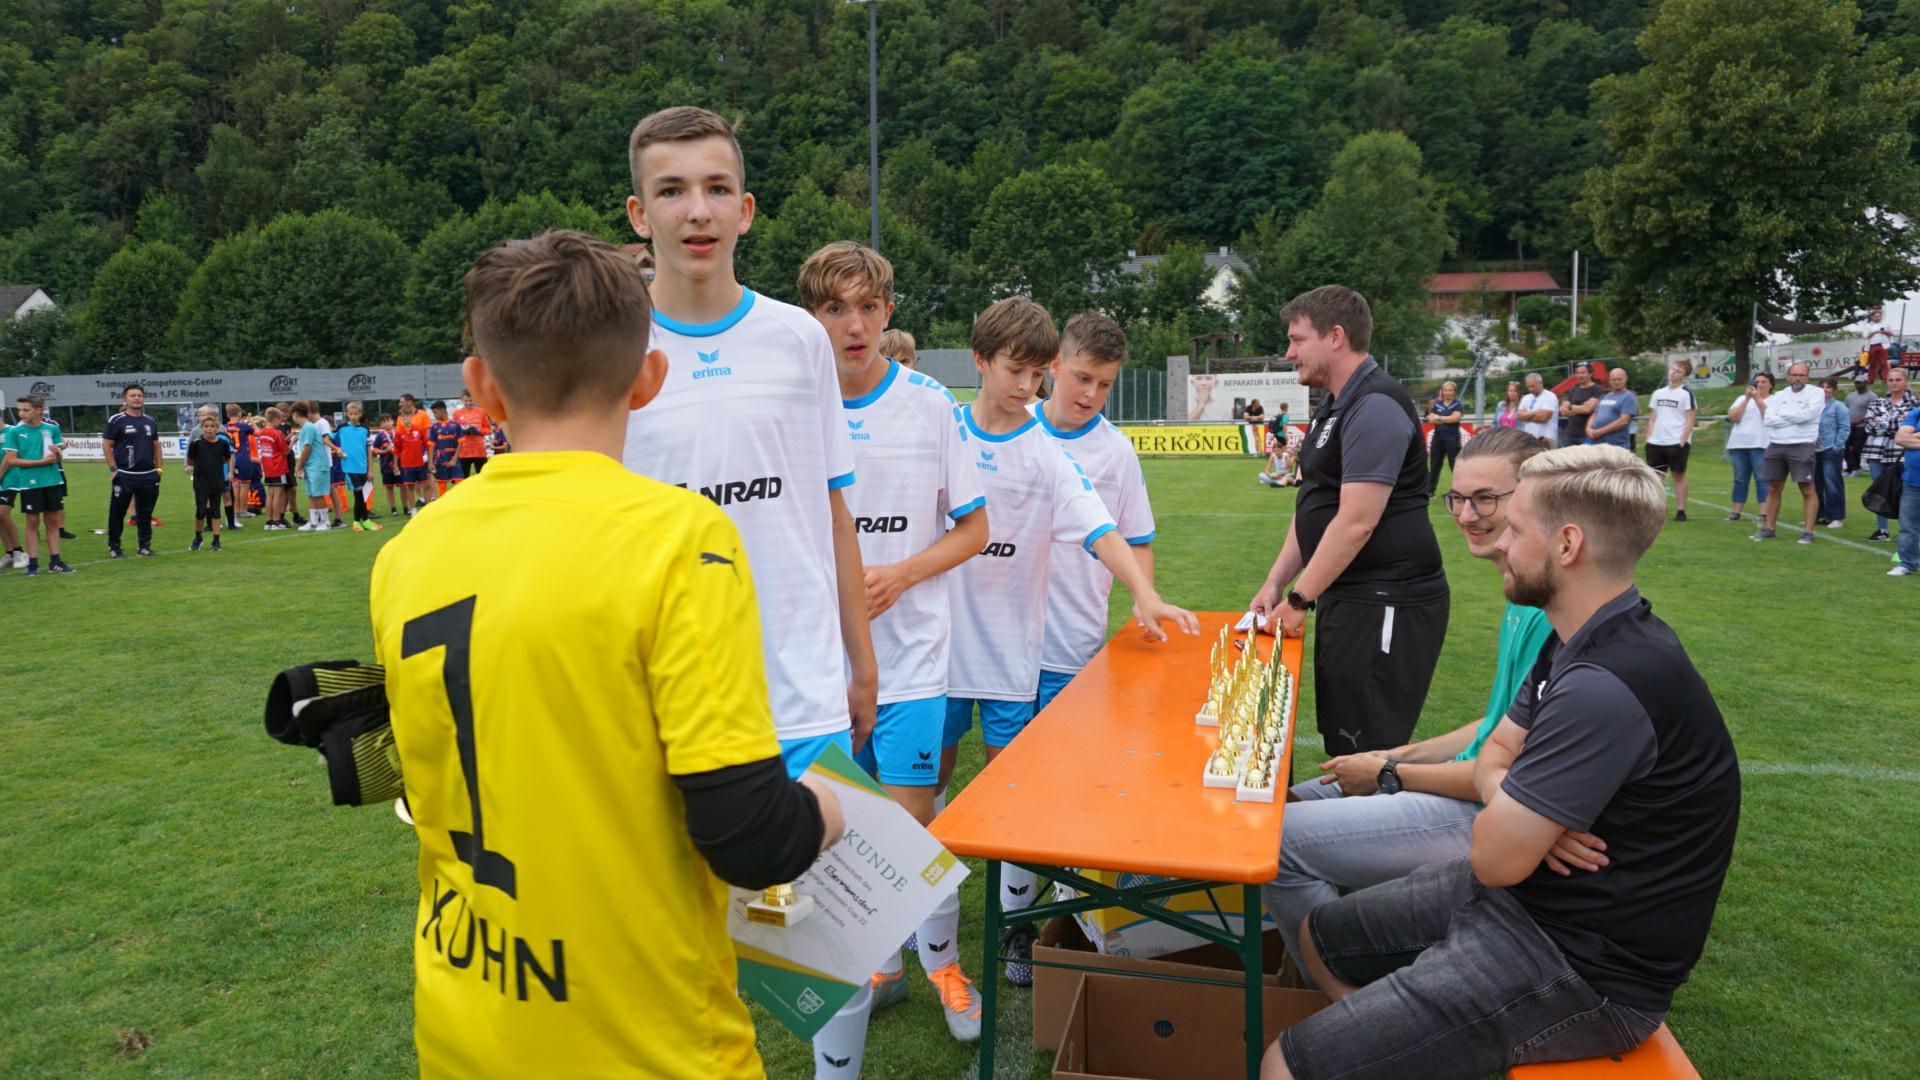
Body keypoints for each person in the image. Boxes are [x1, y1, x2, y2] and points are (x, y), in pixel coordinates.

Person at [373, 228, 846, 1078]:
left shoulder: (409, 550)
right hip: (643, 1039)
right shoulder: (679, 539)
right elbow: (750, 839)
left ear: (480, 386)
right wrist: (832, 809)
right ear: (649, 379)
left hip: (463, 1027)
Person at [1265, 445, 1741, 1080]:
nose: (1502, 544)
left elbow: (1493, 856)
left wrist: (1510, 803)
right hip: (1528, 897)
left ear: (1567, 544)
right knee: (1320, 937)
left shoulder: (1604, 681)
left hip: (1584, 963)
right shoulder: (1579, 634)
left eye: (1515, 528)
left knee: (1285, 1063)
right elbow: (1496, 751)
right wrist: (1513, 795)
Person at [1262, 427, 1553, 984]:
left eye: (1486, 499)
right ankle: (1319, 969)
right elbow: (1498, 723)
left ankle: (1344, 1000)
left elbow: (1513, 777)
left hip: (1486, 814)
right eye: (1458, 498)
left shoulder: (1548, 606)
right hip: (1467, 786)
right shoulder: (1521, 593)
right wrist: (1395, 754)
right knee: (1279, 805)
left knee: (1275, 842)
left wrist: (1390, 773)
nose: (1466, 515)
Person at [799, 242, 989, 1060]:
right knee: (833, 842)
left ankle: (940, 964)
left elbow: (975, 528)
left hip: (912, 660)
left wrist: (903, 575)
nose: (854, 325)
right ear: (811, 316)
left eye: (868, 307)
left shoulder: (929, 404)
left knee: (906, 830)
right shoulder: (793, 405)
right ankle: (878, 965)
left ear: (888, 313)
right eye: (835, 308)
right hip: (815, 670)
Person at [1248, 285, 1451, 755]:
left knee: (1368, 752)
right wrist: (1276, 583)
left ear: (1335, 336)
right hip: (1352, 595)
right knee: (1344, 738)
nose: (1289, 352)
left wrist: (1299, 598)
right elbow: (1313, 505)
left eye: (1297, 340)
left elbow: (1357, 521)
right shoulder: (1335, 403)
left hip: (1386, 598)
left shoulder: (1374, 405)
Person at [2, 394, 74, 575]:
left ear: (39, 410)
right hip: (30, 483)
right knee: (32, 522)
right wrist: (41, 462)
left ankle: (55, 561)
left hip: (52, 481)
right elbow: (11, 460)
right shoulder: (14, 432)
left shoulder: (51, 429)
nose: (21, 413)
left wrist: (57, 453)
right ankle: (32, 564)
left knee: (52, 521)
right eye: (19, 410)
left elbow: (57, 458)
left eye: (25, 410)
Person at [1756, 361, 1822, 544]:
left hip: (1802, 444)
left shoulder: (1816, 393)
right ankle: (1769, 528)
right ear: (1788, 377)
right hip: (1776, 444)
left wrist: (1783, 415)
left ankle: (1808, 532)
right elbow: (1769, 419)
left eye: (1801, 375)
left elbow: (1808, 415)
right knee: (1773, 487)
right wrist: (1795, 416)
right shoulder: (1780, 395)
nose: (1797, 378)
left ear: (1807, 377)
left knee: (1807, 488)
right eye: (1794, 374)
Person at [104, 383, 164, 558]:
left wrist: (159, 469)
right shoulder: (117, 420)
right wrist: (113, 469)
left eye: (139, 395)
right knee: (117, 513)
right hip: (125, 475)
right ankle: (114, 547)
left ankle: (144, 546)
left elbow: (156, 445)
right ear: (125, 399)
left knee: (145, 513)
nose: (137, 398)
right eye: (133, 395)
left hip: (148, 475)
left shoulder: (150, 421)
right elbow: (107, 445)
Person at [1863, 367, 1916, 541]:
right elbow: (1869, 427)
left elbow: (1911, 430)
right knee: (1879, 490)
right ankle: (1882, 530)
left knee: (1904, 492)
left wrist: (1883, 422)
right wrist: (1897, 423)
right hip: (1876, 452)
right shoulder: (1877, 402)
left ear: (1906, 381)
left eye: (1898, 380)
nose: (1894, 383)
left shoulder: (1915, 404)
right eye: (1891, 380)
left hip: (1902, 453)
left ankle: (1907, 531)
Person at [1645, 359, 1697, 522]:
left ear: (1684, 376)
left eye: (1678, 371)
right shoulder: (1658, 393)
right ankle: (1656, 509)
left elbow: (1690, 419)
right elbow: (1653, 418)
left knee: (1678, 475)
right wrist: (1649, 438)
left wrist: (1682, 440)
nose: (1674, 372)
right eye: (1673, 369)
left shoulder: (1686, 394)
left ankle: (1681, 510)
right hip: (1656, 442)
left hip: (1675, 442)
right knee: (1656, 477)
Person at [1724, 372, 1772, 522]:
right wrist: (1746, 399)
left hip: (1761, 444)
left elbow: (1769, 417)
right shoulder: (1741, 399)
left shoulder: (1774, 399)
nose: (1760, 384)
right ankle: (1736, 511)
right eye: (1757, 381)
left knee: (1762, 479)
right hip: (1739, 444)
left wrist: (1757, 399)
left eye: (1764, 382)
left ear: (1770, 385)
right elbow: (1733, 418)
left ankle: (1763, 513)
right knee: (1740, 479)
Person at [183, 413, 232, 552]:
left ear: (217, 428)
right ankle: (198, 538)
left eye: (212, 426)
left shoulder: (223, 443)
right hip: (200, 481)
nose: (209, 429)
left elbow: (227, 459)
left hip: (216, 481)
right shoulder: (196, 443)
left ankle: (216, 541)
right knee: (201, 510)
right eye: (206, 426)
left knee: (216, 510)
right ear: (202, 428)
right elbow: (190, 460)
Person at [339, 401, 381, 532]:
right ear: (347, 414)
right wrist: (337, 449)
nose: (353, 416)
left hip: (363, 468)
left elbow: (368, 450)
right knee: (359, 493)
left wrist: (370, 469)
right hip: (349, 468)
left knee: (362, 495)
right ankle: (363, 521)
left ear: (360, 414)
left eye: (355, 414)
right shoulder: (342, 428)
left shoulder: (365, 430)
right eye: (350, 414)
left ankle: (359, 522)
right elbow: (326, 438)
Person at [1815, 377, 1850, 529]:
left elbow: (1845, 428)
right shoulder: (1813, 406)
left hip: (1830, 449)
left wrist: (1837, 446)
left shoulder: (1838, 407)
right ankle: (1820, 514)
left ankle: (1836, 517)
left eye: (1828, 387)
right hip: (1814, 450)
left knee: (1832, 484)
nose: (1824, 389)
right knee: (1815, 485)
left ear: (1834, 390)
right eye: (1822, 386)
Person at [293, 404, 333, 531]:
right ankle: (314, 522)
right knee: (311, 494)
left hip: (317, 465)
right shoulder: (305, 427)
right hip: (310, 465)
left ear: (295, 414)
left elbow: (307, 447)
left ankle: (325, 522)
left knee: (318, 494)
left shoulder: (308, 427)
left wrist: (298, 465)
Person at [1891, 403, 1920, 575]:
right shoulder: (1917, 413)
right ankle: (1907, 564)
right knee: (1907, 526)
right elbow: (1900, 439)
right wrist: (1911, 437)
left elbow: (1907, 439)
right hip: (1912, 481)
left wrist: (1915, 436)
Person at [1586, 366, 1638, 452]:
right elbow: (1595, 414)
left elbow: (1623, 421)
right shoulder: (1605, 396)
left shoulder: (1629, 396)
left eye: (1619, 379)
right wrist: (1588, 428)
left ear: (1625, 379)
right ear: (1609, 380)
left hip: (1617, 446)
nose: (1616, 382)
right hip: (1598, 444)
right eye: (1613, 380)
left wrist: (1599, 432)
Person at [256, 407, 292, 529]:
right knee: (278, 494)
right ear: (275, 419)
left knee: (270, 494)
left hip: (267, 467)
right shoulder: (277, 433)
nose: (280, 423)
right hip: (278, 466)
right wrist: (292, 441)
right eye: (280, 420)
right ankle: (277, 521)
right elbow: (286, 451)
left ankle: (269, 521)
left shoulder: (261, 432)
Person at [1425, 380, 1463, 495]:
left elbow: (1455, 418)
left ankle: (1459, 490)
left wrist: (1439, 417)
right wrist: (1447, 418)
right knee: (1434, 465)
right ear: (1442, 392)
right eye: (1445, 390)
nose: (1448, 392)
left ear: (1454, 392)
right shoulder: (1437, 404)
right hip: (1438, 439)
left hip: (1452, 439)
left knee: (1454, 465)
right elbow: (1431, 419)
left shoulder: (1458, 404)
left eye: (1450, 390)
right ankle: (1430, 491)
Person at [224, 403, 258, 528]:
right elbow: (258, 433)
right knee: (244, 485)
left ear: (227, 414)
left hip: (230, 458)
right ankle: (243, 510)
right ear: (239, 413)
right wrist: (251, 421)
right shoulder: (243, 426)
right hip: (243, 457)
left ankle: (236, 510)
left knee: (235, 485)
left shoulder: (224, 427)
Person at [394, 401, 431, 511]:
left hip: (420, 463)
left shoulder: (419, 430)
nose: (405, 418)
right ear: (400, 418)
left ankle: (428, 509)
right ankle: (413, 510)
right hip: (407, 465)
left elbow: (427, 445)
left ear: (411, 416)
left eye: (407, 415)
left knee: (426, 485)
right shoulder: (399, 433)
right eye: (403, 416)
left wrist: (430, 460)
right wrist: (395, 465)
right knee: (410, 487)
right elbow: (396, 450)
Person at [453, 389, 493, 477]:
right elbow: (454, 431)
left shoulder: (481, 412)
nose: (468, 403)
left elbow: (488, 430)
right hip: (463, 451)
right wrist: (462, 432)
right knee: (464, 479)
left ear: (474, 399)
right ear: (461, 400)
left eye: (470, 401)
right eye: (466, 401)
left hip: (479, 451)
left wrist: (479, 431)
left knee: (482, 477)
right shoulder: (457, 413)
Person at [1557, 361, 1599, 446]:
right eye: (1578, 373)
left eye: (1583, 373)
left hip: (1586, 435)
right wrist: (1581, 408)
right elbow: (1563, 411)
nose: (1580, 375)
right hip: (1570, 433)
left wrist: (1570, 406)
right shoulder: (1574, 390)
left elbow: (1587, 409)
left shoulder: (1597, 389)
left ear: (1591, 374)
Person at [1845, 376, 1877, 476]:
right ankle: (1850, 468)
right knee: (1844, 446)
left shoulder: (1872, 396)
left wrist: (1858, 421)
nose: (1857, 384)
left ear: (1866, 382)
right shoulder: (1850, 396)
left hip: (1862, 426)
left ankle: (1856, 468)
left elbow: (1873, 412)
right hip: (1849, 425)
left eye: (1859, 382)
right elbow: (1845, 409)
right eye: (1856, 382)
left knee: (1857, 448)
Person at [1516, 371, 1559, 446]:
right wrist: (1536, 412)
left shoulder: (1550, 397)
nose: (1530, 389)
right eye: (1528, 387)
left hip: (1546, 440)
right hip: (1529, 440)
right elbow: (1519, 416)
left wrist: (1526, 416)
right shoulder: (1526, 398)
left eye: (1533, 386)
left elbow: (1543, 418)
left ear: (1541, 383)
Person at [427, 403, 461, 496]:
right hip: (440, 461)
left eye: (435, 412)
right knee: (442, 485)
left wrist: (454, 459)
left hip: (455, 460)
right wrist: (430, 462)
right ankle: (443, 503)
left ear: (442, 411)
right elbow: (431, 446)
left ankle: (459, 502)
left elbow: (460, 443)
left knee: (460, 483)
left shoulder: (456, 425)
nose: (434, 415)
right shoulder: (434, 427)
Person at [372, 415, 401, 515]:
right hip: (386, 466)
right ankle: (393, 508)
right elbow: (374, 450)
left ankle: (406, 507)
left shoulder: (398, 433)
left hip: (400, 464)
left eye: (388, 420)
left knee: (404, 486)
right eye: (384, 422)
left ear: (392, 421)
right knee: (389, 487)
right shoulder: (380, 436)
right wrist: (385, 451)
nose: (386, 423)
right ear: (381, 424)